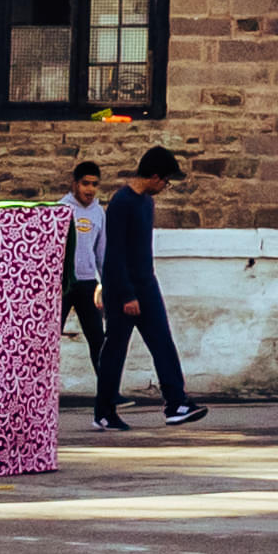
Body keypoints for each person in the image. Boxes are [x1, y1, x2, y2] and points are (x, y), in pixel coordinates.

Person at [91, 145, 209, 428]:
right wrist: (126, 294)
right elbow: (115, 253)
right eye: (166, 181)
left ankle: (176, 403)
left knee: (162, 342)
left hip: (147, 283)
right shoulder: (122, 202)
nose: (166, 187)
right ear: (154, 176)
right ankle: (104, 412)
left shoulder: (146, 202)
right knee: (116, 349)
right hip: (124, 289)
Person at [59, 162, 112, 384]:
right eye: (85, 184)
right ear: (75, 184)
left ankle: (108, 392)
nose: (89, 189)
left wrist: (107, 286)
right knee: (49, 340)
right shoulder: (60, 209)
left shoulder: (98, 213)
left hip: (89, 283)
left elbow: (102, 253)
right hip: (62, 284)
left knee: (98, 339)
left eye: (94, 185)